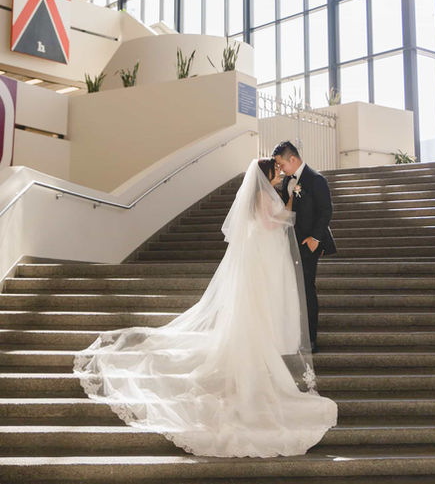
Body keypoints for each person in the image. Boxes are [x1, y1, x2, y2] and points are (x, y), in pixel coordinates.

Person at [73, 158, 337, 458]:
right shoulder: (264, 195)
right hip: (262, 256)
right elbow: (267, 223)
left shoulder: (263, 194)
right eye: (274, 171)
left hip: (262, 256)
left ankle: (258, 346)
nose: (278, 174)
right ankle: (254, 355)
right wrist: (290, 206)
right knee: (256, 308)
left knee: (257, 308)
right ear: (265, 175)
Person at [273, 141, 337, 353]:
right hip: (289, 243)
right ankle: (294, 334)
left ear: (293, 159)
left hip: (308, 244)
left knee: (307, 289)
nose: (280, 169)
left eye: (281, 164)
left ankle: (310, 338)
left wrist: (315, 239)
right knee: (293, 290)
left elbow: (326, 211)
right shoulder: (286, 182)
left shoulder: (316, 179)